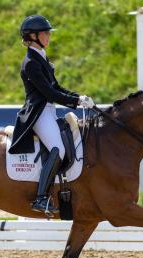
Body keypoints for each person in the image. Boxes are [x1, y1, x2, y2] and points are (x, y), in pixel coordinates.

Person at [8, 15, 95, 215]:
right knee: (58, 149)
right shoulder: (30, 61)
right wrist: (75, 102)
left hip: (48, 110)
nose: (48, 36)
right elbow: (49, 93)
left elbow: (56, 87)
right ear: (33, 36)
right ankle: (40, 198)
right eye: (45, 33)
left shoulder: (42, 56)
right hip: (38, 112)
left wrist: (79, 96)